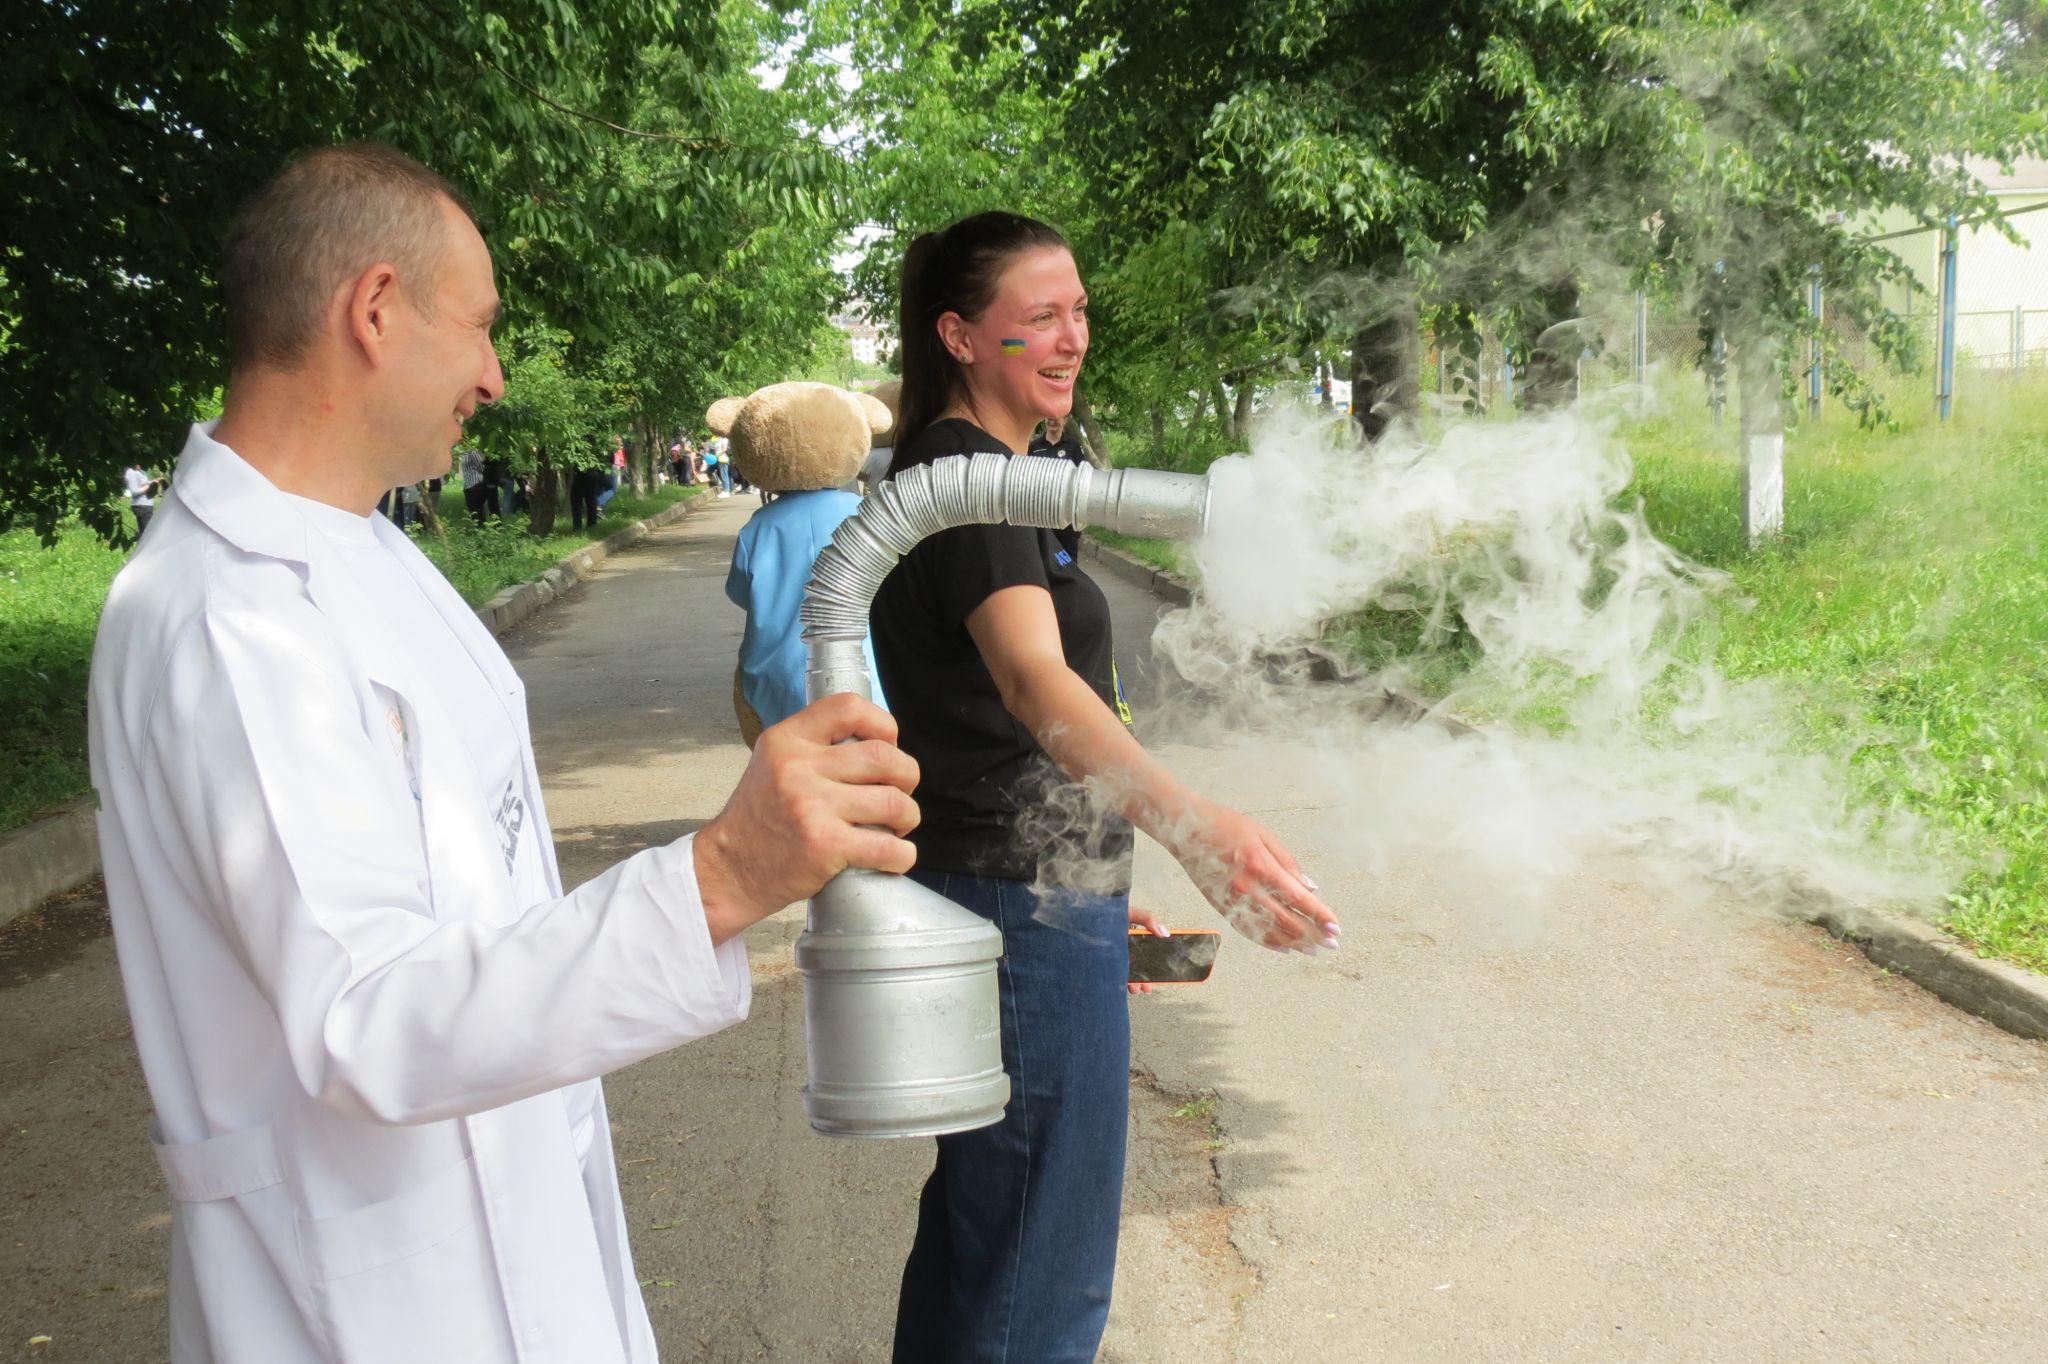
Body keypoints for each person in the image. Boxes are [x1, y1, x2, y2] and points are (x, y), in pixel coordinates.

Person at [86, 142, 920, 1364]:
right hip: (365, 1305)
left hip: (510, 1219)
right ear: (375, 309)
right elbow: (369, 1013)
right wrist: (721, 874)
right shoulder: (229, 618)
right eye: (478, 327)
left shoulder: (364, 549)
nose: (493, 373)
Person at [869, 211, 1341, 1364]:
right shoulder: (967, 479)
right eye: (1038, 317)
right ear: (960, 336)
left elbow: (1006, 716)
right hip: (1011, 905)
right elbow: (1034, 682)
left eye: (1077, 310)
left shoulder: (1006, 474)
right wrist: (1190, 825)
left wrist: (1093, 870)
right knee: (1037, 1268)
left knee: (987, 1233)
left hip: (1020, 892)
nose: (1072, 336)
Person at [124, 464, 166, 538]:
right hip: (141, 506)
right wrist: (150, 485)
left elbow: (144, 484)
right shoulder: (132, 472)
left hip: (146, 505)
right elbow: (134, 492)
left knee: (145, 533)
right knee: (149, 534)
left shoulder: (142, 472)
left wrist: (155, 481)